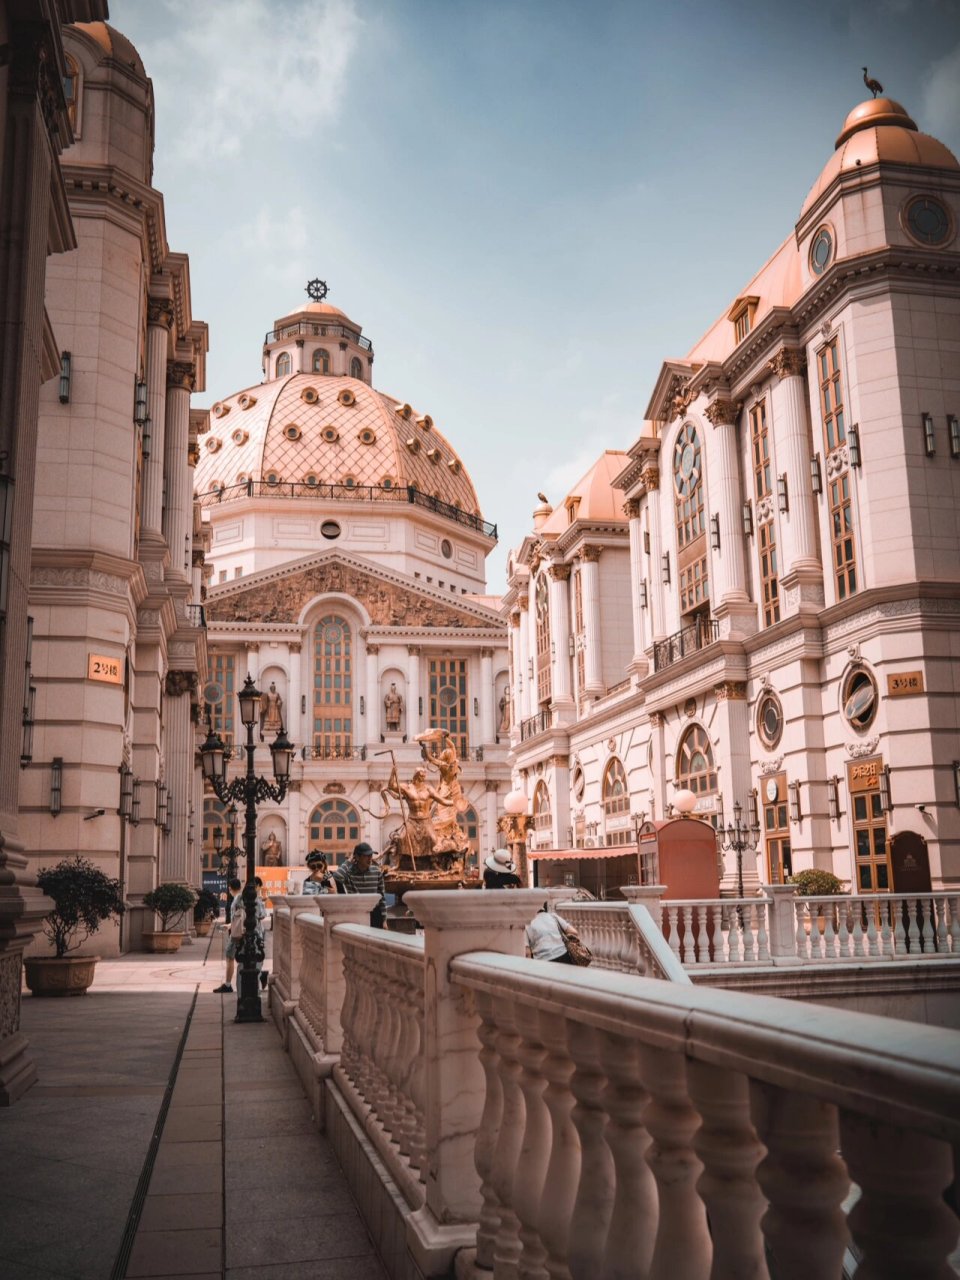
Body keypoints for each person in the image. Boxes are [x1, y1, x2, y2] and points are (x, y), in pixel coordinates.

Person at [214, 876, 268, 992]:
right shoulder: (257, 899)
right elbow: (263, 914)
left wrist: (232, 925)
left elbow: (237, 918)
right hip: (255, 933)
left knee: (231, 956)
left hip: (239, 934)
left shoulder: (238, 899)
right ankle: (261, 975)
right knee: (250, 958)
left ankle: (228, 985)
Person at [338, 841, 387, 928]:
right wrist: (348, 862)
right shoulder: (348, 872)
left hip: (375, 914)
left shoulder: (377, 871)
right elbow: (337, 877)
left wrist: (384, 921)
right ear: (357, 857)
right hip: (356, 913)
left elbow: (381, 898)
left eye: (371, 856)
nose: (370, 859)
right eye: (366, 856)